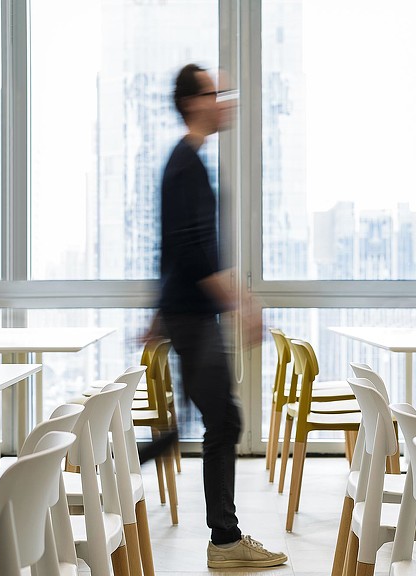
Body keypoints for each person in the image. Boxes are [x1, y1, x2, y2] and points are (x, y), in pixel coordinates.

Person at [154, 63, 287, 569]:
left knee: (216, 421)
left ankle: (223, 537)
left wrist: (161, 312)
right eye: (214, 92)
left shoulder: (187, 162)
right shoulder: (186, 164)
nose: (223, 100)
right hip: (193, 318)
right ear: (192, 103)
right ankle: (225, 542)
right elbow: (193, 254)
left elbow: (175, 247)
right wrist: (241, 305)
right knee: (224, 421)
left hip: (188, 317)